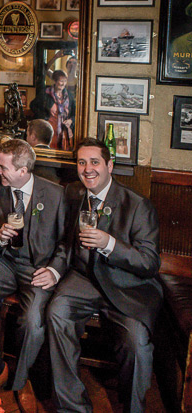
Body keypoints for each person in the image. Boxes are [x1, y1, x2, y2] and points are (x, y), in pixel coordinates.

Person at [47, 138, 162, 413]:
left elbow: (149, 263)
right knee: (56, 313)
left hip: (126, 284)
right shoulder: (74, 193)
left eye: (95, 162)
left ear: (110, 165)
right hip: (83, 278)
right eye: (81, 162)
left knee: (136, 342)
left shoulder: (137, 205)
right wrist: (54, 269)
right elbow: (65, 242)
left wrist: (109, 244)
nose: (88, 169)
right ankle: (72, 407)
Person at [0, 139, 67, 413]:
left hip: (39, 268)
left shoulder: (56, 194)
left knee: (33, 320)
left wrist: (54, 270)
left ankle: (21, 380)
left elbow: (66, 242)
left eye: (3, 167)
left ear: (23, 170)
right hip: (5, 262)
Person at [30, 70, 75, 151]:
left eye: (65, 81)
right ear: (55, 81)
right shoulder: (45, 93)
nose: (63, 83)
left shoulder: (69, 95)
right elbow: (33, 105)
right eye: (61, 81)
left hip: (63, 132)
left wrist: (71, 120)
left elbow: (74, 113)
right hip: (49, 131)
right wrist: (43, 117)